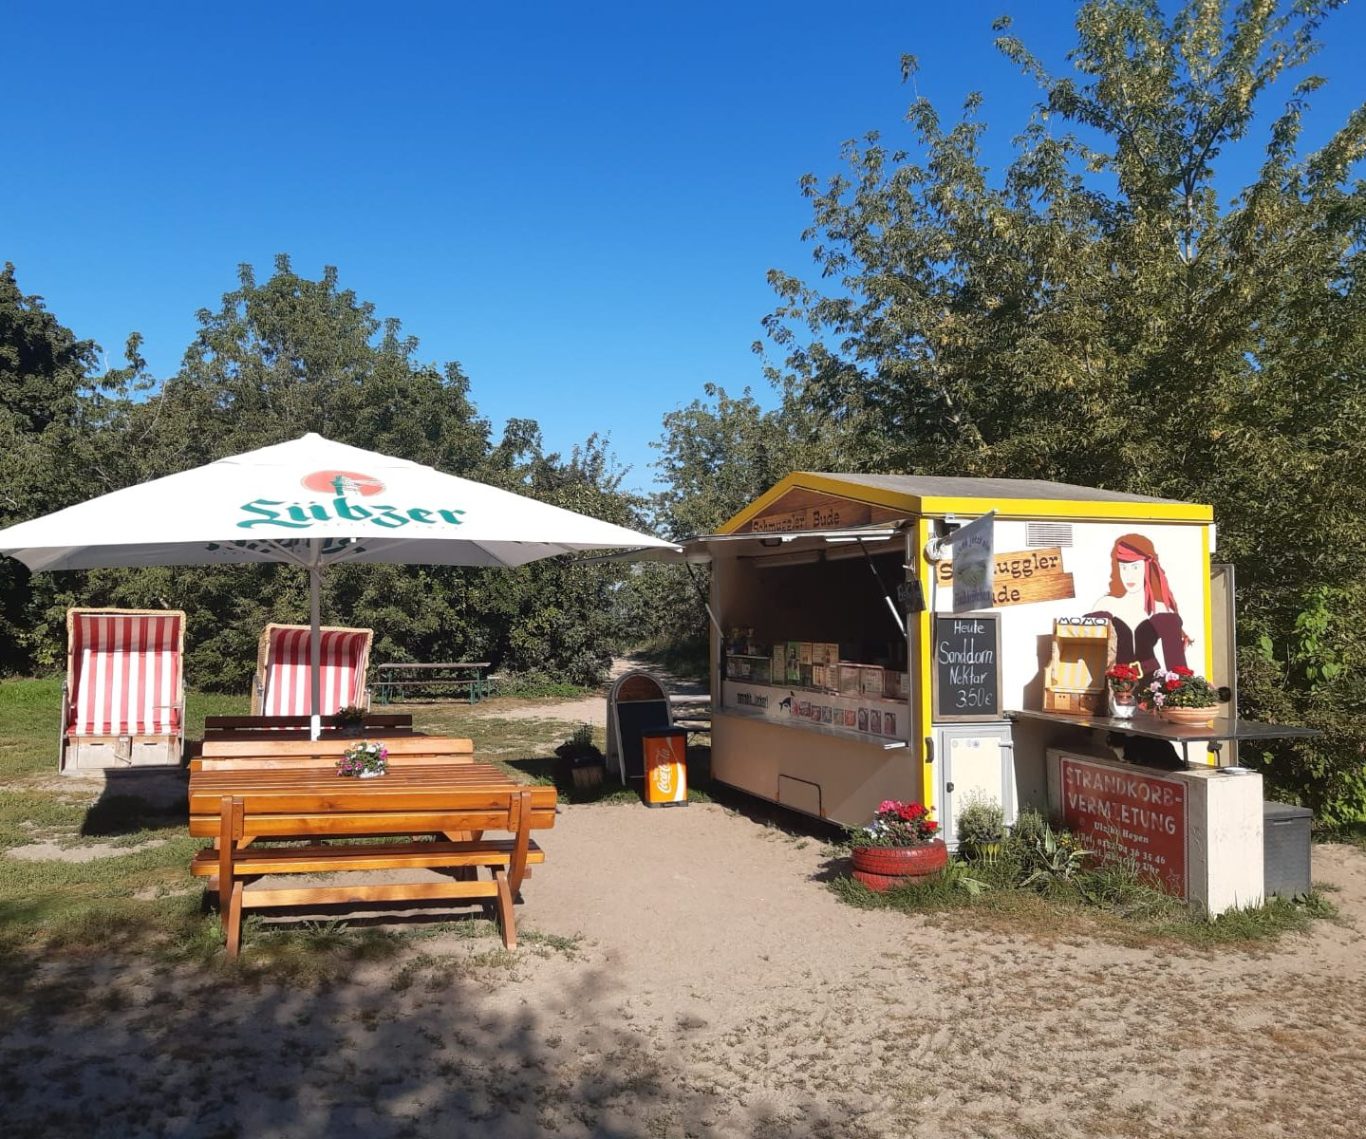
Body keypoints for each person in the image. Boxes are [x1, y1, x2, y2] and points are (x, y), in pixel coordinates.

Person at [1086, 534, 1190, 676]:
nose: (1129, 575)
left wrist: (1182, 691)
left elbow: (1176, 665)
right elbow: (1087, 649)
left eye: (1135, 567)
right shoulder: (1106, 604)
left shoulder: (1161, 609)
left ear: (1147, 567)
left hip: (1151, 684)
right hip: (1114, 684)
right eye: (1123, 567)